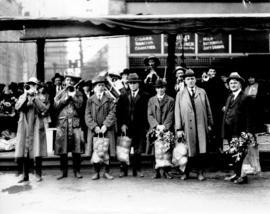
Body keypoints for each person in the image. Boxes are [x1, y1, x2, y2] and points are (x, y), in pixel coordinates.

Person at [175, 69, 213, 181]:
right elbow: (177, 112)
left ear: (195, 79)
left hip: (201, 125)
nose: (190, 81)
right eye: (188, 79)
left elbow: (208, 108)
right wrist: (179, 128)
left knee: (201, 151)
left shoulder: (202, 92)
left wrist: (210, 124)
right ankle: (185, 172)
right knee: (187, 150)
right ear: (184, 81)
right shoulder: (180, 94)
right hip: (186, 126)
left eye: (192, 78)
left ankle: (200, 172)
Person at [15, 77, 50, 183]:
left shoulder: (40, 97)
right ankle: (25, 175)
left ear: (37, 86)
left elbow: (44, 109)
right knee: (25, 151)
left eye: (33, 84)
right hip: (25, 127)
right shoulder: (22, 96)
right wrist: (26, 95)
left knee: (37, 150)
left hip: (36, 126)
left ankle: (38, 174)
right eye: (29, 84)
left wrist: (34, 97)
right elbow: (17, 107)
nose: (31, 86)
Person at [222, 72, 253, 184]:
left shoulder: (245, 97)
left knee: (241, 154)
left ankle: (243, 177)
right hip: (231, 131)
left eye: (235, 83)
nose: (233, 85)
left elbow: (249, 116)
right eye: (231, 83)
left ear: (240, 84)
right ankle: (236, 174)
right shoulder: (230, 96)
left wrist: (248, 131)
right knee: (234, 153)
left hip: (240, 131)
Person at [118, 73, 149, 177]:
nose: (132, 85)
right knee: (124, 148)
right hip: (126, 127)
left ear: (138, 84)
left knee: (138, 150)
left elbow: (146, 113)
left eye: (134, 83)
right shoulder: (123, 96)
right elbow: (119, 112)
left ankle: (137, 169)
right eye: (130, 83)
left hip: (139, 127)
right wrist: (122, 124)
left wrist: (145, 127)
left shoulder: (145, 96)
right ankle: (124, 169)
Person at [85, 76, 116, 180]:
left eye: (102, 85)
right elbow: (87, 115)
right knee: (95, 150)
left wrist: (105, 125)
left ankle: (106, 171)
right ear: (94, 87)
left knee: (106, 150)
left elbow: (112, 113)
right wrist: (94, 127)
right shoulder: (90, 100)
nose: (100, 87)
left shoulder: (109, 99)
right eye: (98, 85)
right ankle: (96, 171)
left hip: (107, 129)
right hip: (95, 130)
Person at [54, 72, 84, 180]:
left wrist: (74, 96)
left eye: (71, 80)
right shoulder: (60, 92)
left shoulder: (79, 93)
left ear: (74, 82)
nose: (69, 82)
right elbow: (55, 106)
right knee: (63, 149)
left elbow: (80, 106)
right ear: (64, 82)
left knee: (77, 149)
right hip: (63, 123)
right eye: (67, 80)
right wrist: (66, 97)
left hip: (75, 123)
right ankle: (63, 172)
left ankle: (77, 171)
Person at [147, 79, 174, 179]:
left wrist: (165, 126)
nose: (160, 90)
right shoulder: (151, 100)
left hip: (166, 129)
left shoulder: (171, 100)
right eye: (158, 88)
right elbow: (149, 114)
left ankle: (167, 171)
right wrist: (156, 126)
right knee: (155, 150)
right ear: (155, 89)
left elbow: (171, 114)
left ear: (165, 88)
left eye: (162, 87)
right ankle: (156, 171)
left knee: (166, 149)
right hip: (155, 129)